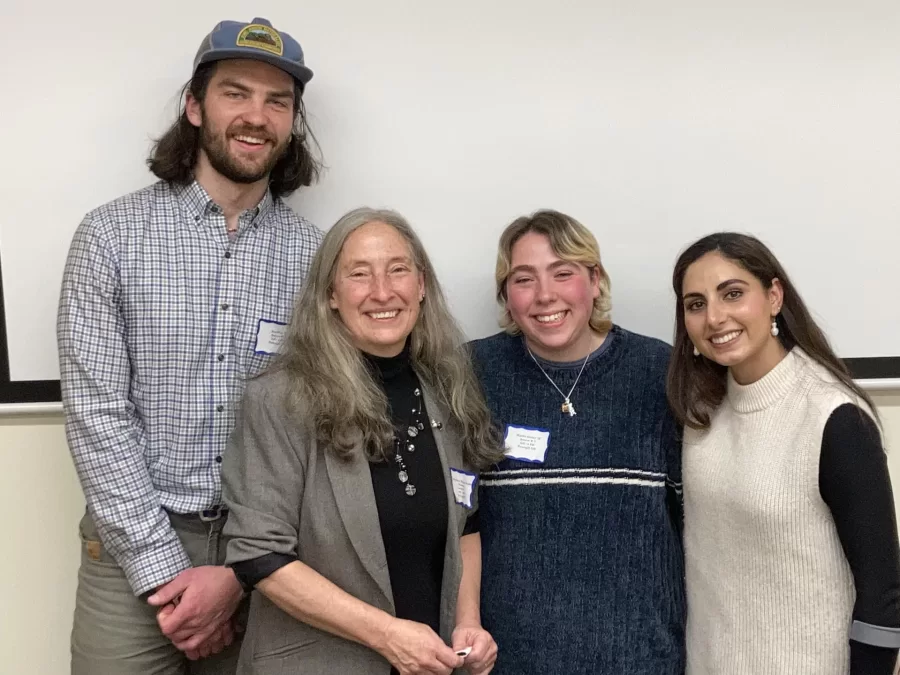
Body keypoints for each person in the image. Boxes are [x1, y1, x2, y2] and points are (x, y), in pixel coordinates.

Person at [57, 17, 323, 675]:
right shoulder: (109, 238)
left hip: (266, 552)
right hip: (130, 551)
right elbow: (97, 418)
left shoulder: (317, 259)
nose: (256, 116)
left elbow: (316, 425)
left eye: (277, 101)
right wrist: (165, 572)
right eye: (236, 92)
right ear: (195, 105)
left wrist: (239, 568)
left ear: (291, 123)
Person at [220, 207, 501, 675]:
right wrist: (388, 636)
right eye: (359, 274)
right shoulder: (281, 398)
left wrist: (466, 622)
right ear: (330, 295)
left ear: (422, 286)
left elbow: (467, 520)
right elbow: (259, 555)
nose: (382, 292)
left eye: (398, 270)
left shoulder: (446, 388)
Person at [667, 232, 900, 674]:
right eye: (695, 304)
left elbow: (883, 594)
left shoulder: (833, 417)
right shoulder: (700, 414)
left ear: (774, 296)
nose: (715, 317)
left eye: (732, 294)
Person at [468, 209, 686, 674]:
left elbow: (698, 525)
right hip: (509, 662)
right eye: (524, 279)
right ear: (506, 296)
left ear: (595, 280)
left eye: (562, 273)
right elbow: (457, 521)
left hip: (639, 661)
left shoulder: (659, 373)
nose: (545, 295)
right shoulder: (472, 373)